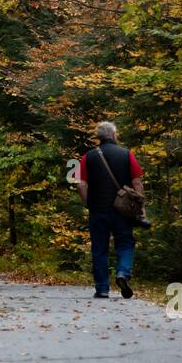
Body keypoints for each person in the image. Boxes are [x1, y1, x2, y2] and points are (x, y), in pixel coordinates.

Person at [77, 121, 146, 299]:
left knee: (99, 248)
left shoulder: (88, 157)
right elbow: (137, 182)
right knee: (125, 243)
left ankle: (102, 288)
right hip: (122, 211)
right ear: (114, 135)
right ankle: (122, 273)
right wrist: (141, 207)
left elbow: (81, 184)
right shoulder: (126, 154)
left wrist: (88, 203)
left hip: (98, 210)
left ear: (99, 137)